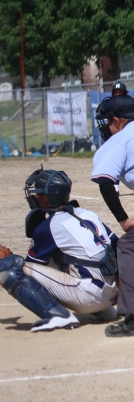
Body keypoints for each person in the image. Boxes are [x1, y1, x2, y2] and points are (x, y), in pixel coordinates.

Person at [0, 168, 118, 332]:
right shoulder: (88, 214)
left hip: (87, 298)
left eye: (37, 193)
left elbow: (27, 272)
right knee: (71, 256)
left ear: (45, 198)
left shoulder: (49, 226)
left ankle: (57, 316)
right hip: (112, 294)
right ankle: (102, 311)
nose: (33, 196)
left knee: (11, 267)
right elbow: (118, 247)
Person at [92, 93, 134, 336]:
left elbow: (106, 183)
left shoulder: (119, 140)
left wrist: (124, 220)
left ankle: (132, 318)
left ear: (117, 120)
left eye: (108, 121)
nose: (107, 127)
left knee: (128, 246)